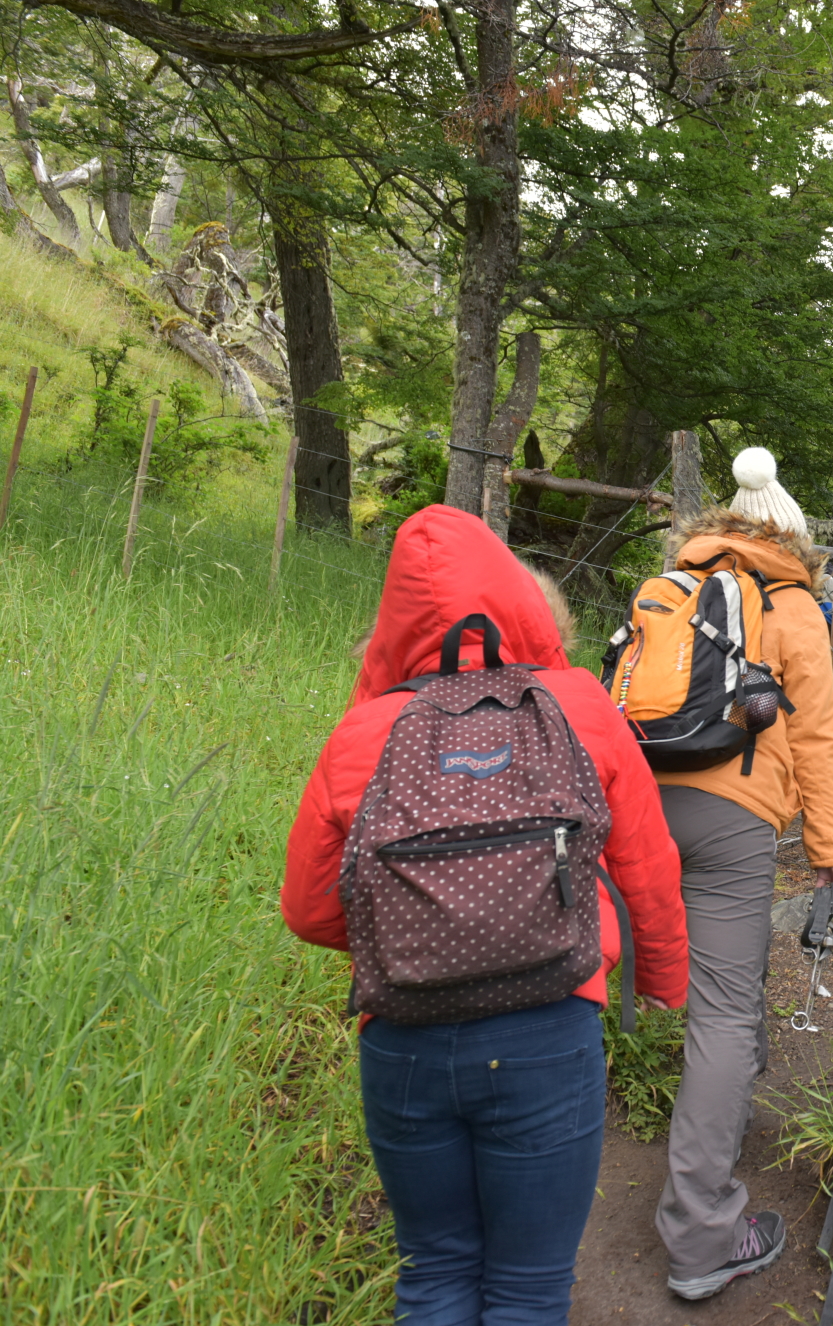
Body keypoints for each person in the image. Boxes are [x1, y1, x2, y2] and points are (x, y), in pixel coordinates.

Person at [283, 505, 692, 1325]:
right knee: (530, 1286)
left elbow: (310, 908)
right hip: (548, 1030)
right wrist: (663, 983)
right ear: (522, 607)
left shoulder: (364, 729)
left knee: (432, 1271)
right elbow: (647, 868)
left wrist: (417, 940)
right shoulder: (581, 707)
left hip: (403, 1038)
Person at [652, 448, 833, 1300]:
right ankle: (703, 1237)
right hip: (731, 812)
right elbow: (813, 737)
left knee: (667, 985)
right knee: (726, 1014)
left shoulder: (671, 586)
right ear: (794, 535)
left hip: (639, 799)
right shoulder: (791, 599)